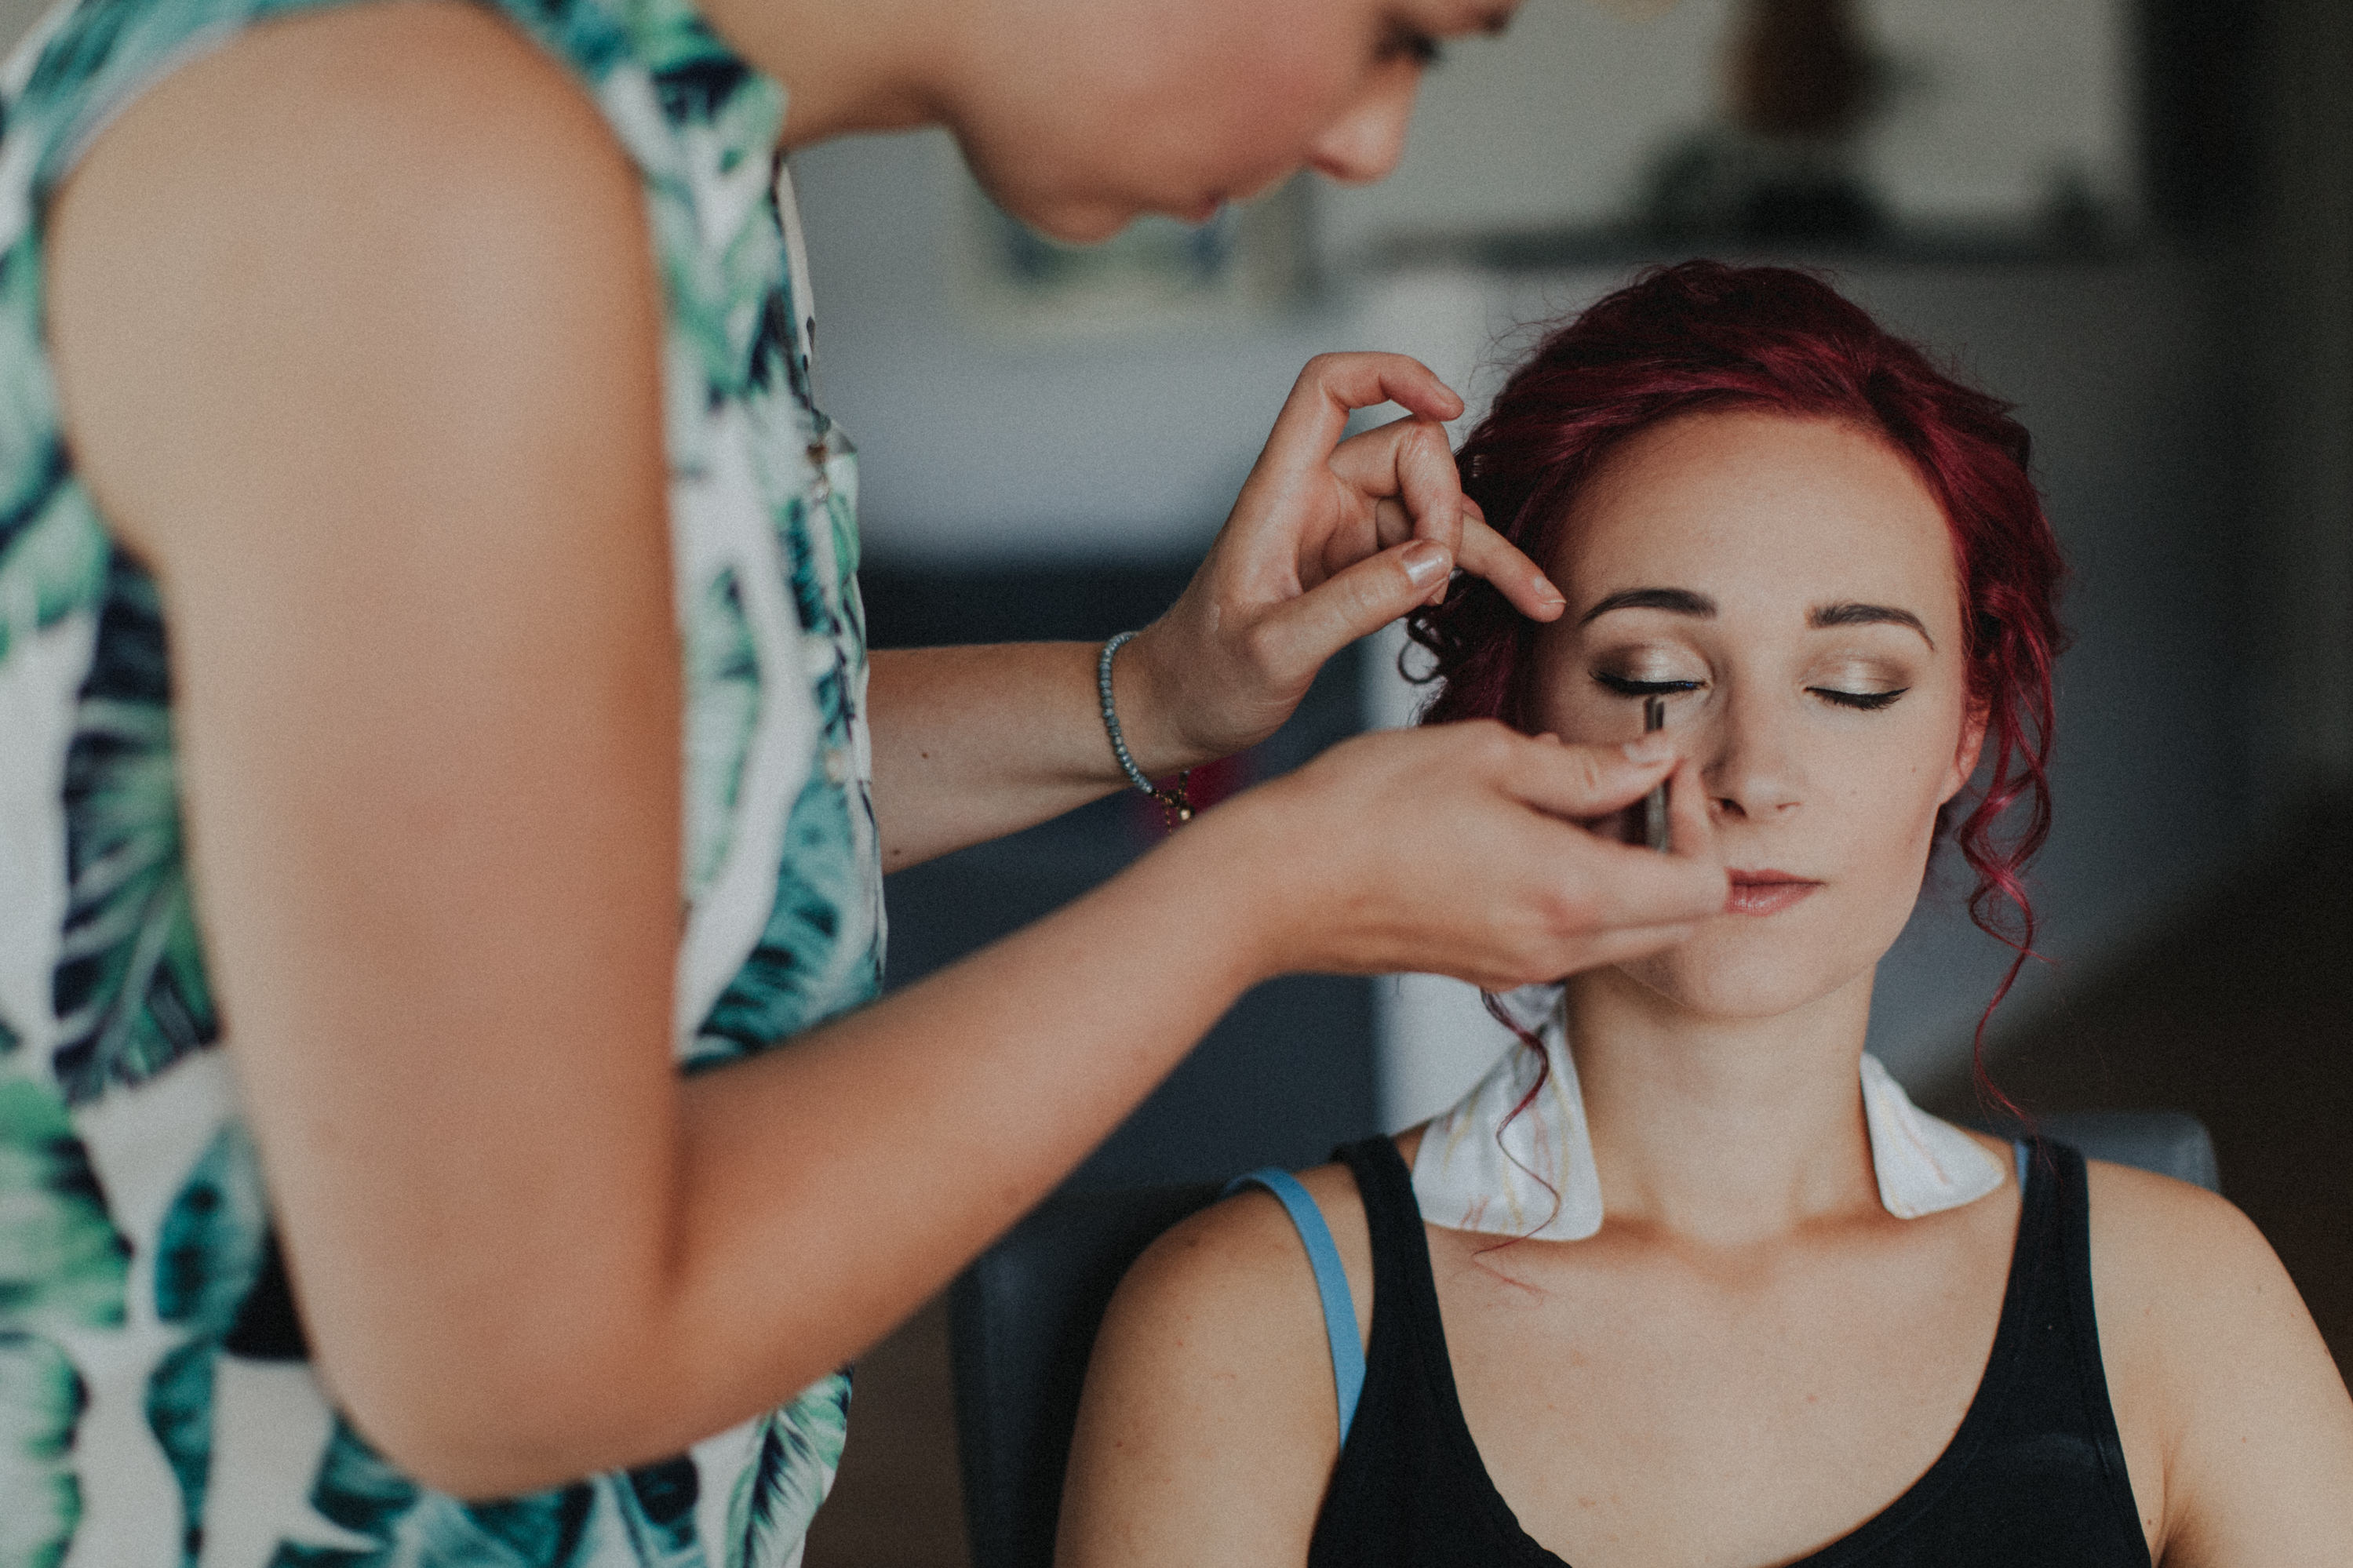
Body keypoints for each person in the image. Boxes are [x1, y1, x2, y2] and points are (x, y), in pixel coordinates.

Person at [0, 0, 1746, 1558]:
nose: (1371, 142)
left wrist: (1153, 694)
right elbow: (515, 1356)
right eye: (1405, 31)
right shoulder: (429, 166)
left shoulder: (678, 177)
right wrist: (1259, 893)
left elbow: (613, 832)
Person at [1057, 263, 2353, 1567]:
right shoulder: (1251, 1322)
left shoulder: (2185, 1307)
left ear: (1964, 733)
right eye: (1655, 675)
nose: (1756, 777)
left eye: (1855, 683)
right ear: (1519, 708)